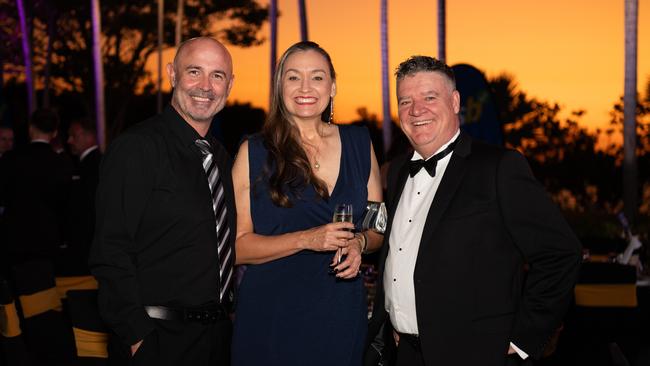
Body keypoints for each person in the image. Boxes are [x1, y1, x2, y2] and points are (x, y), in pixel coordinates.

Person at [367, 56, 582, 366]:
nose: (416, 110)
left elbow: (562, 253)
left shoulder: (499, 167)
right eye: (406, 101)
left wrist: (520, 339)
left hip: (476, 354)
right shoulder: (399, 170)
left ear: (455, 102)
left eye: (430, 97)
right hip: (406, 353)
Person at [230, 41, 383, 366]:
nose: (305, 88)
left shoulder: (359, 143)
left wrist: (358, 242)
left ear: (333, 85)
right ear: (279, 86)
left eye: (317, 77)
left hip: (340, 312)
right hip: (271, 314)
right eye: (293, 77)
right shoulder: (253, 152)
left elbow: (377, 227)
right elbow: (236, 248)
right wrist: (307, 239)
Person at [89, 37, 236, 365]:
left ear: (229, 85)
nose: (205, 86)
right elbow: (110, 250)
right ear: (172, 75)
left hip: (216, 339)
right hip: (157, 340)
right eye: (194, 71)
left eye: (217, 75)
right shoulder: (137, 148)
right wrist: (137, 335)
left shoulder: (223, 159)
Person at [0, 109, 73, 272]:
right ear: (54, 133)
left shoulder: (10, 159)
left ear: (31, 128)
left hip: (14, 240)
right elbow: (65, 205)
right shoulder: (62, 164)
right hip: (47, 241)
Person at [61, 118, 102, 275]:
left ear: (89, 137)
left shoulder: (91, 166)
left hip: (86, 245)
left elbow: (84, 209)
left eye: (74, 136)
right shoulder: (92, 163)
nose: (69, 140)